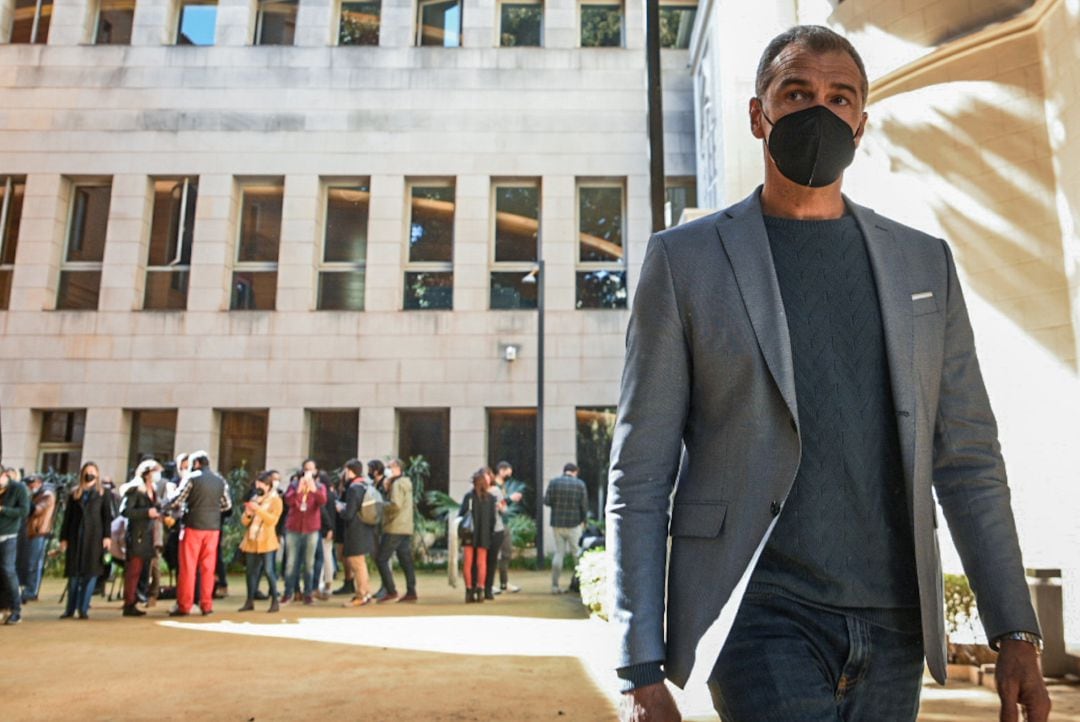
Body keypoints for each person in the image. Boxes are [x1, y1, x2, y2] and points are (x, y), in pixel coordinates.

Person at [608, 25, 1050, 722]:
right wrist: (639, 664)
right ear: (760, 114)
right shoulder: (685, 262)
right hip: (758, 613)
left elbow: (967, 460)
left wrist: (1015, 632)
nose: (820, 110)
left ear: (861, 124)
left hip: (895, 622)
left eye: (840, 97)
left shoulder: (923, 265)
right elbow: (641, 470)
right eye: (797, 92)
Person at [165, 451, 231, 617]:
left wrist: (171, 493)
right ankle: (206, 604)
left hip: (193, 525)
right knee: (208, 568)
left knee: (188, 567)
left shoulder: (191, 478)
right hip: (213, 528)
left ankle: (185, 605)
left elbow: (176, 501)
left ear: (196, 464)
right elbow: (226, 505)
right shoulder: (219, 480)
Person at [58, 461, 113, 620]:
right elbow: (67, 518)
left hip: (94, 538)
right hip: (76, 537)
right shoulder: (75, 494)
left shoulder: (103, 494)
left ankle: (83, 608)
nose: (90, 475)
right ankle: (70, 609)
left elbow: (106, 517)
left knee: (91, 573)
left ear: (97, 475)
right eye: (87, 472)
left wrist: (107, 537)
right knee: (74, 575)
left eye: (93, 472)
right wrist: (64, 538)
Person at [119, 459, 163, 617]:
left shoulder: (153, 490)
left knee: (143, 571)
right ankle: (129, 602)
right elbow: (125, 511)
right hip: (137, 535)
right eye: (155, 471)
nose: (158, 475)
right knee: (133, 570)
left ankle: (136, 599)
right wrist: (146, 512)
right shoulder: (135, 490)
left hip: (149, 535)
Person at [281, 460, 327, 605]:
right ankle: (289, 593)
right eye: (306, 469)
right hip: (294, 528)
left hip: (311, 528)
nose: (308, 472)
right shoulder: (294, 485)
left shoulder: (320, 486)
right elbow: (288, 501)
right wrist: (298, 489)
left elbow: (323, 501)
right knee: (291, 563)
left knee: (309, 563)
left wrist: (314, 489)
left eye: (311, 470)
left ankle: (308, 593)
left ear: (316, 472)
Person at [239, 470, 283, 613]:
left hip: (267, 541)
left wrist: (258, 510)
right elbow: (244, 521)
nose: (259, 486)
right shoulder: (254, 498)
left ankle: (275, 601)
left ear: (269, 485)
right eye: (257, 483)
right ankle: (249, 601)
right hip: (252, 540)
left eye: (262, 484)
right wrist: (248, 513)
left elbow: (272, 521)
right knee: (250, 572)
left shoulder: (276, 500)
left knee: (269, 571)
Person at [375, 458, 418, 604]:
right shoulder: (405, 482)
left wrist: (380, 506)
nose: (388, 469)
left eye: (390, 466)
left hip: (394, 526)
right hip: (405, 526)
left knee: (381, 559)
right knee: (406, 560)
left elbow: (395, 505)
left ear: (398, 468)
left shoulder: (398, 484)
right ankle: (411, 591)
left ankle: (391, 590)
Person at [543, 463, 588, 595]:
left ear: (565, 471)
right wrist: (584, 521)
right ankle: (580, 584)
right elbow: (583, 506)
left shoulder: (554, 482)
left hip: (557, 524)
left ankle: (555, 586)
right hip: (574, 524)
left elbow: (546, 501)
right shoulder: (580, 484)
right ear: (575, 472)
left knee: (559, 554)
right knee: (577, 554)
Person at [339, 459, 375, 607]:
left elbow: (349, 514)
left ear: (350, 471)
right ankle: (366, 592)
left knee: (357, 563)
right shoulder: (366, 485)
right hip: (365, 527)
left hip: (355, 530)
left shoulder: (354, 488)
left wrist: (340, 509)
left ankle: (361, 595)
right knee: (361, 563)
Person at [458, 467, 496, 604]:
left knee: (467, 563)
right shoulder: (491, 499)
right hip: (484, 533)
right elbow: (493, 519)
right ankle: (480, 590)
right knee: (482, 562)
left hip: (469, 533)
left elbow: (461, 515)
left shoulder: (468, 497)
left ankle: (469, 591)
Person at [0, 467, 31, 625]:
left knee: (8, 570)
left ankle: (16, 610)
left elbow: (25, 511)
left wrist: (4, 510)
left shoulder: (18, 489)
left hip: (9, 536)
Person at [20, 474, 55, 604]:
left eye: (32, 483)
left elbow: (36, 510)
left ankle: (31, 591)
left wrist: (25, 500)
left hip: (39, 532)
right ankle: (29, 589)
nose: (30, 486)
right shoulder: (38, 495)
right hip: (32, 532)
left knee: (34, 564)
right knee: (30, 562)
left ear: (39, 482)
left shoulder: (47, 495)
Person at [491, 461, 522, 595]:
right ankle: (490, 584)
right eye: (508, 471)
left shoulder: (502, 485)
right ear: (502, 470)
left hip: (504, 521)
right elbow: (497, 503)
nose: (510, 474)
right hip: (495, 523)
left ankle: (504, 583)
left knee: (506, 552)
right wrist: (510, 499)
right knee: (492, 554)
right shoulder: (493, 485)